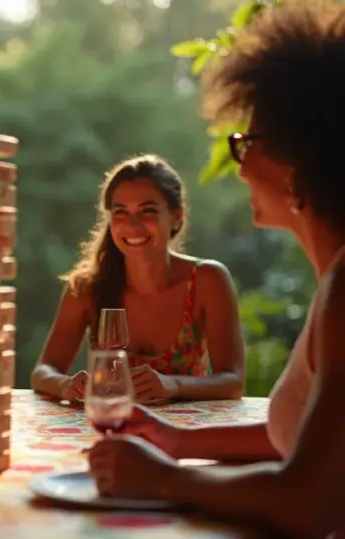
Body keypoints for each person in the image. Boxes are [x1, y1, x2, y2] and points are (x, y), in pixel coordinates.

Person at [88, 2, 345, 536]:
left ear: (304, 157)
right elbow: (301, 434)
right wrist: (177, 441)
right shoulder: (334, 284)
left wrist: (165, 480)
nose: (240, 162)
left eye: (247, 142)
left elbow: (308, 499)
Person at [31, 154, 245, 403]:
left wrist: (174, 385)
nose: (133, 226)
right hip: (111, 427)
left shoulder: (208, 280)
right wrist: (67, 385)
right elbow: (43, 372)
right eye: (120, 212)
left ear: (177, 216)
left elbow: (232, 382)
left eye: (148, 211)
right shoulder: (86, 288)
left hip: (183, 436)